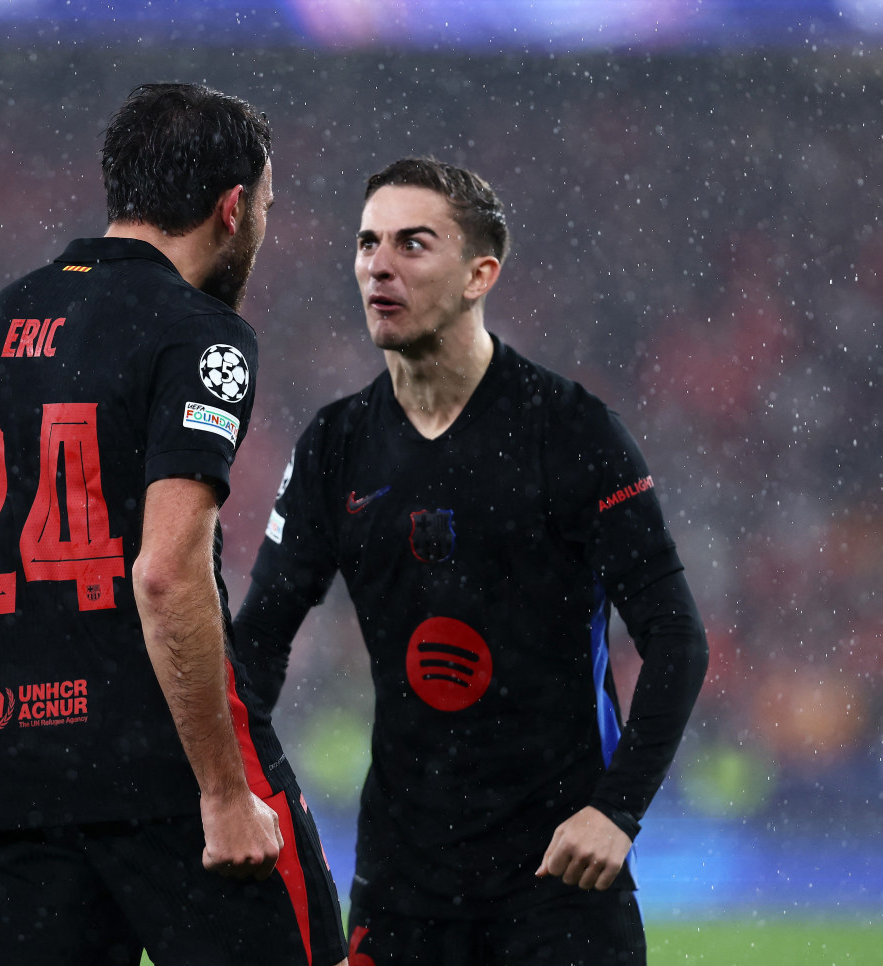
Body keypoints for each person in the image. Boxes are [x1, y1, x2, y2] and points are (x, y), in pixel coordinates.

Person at [0, 82, 348, 966]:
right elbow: (164, 573)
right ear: (231, 209)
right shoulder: (199, 335)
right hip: (168, 776)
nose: (261, 225)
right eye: (264, 206)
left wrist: (2, 770)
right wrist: (222, 790)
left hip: (18, 791)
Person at [233, 157, 710, 965]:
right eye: (367, 242)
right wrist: (235, 791)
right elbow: (257, 647)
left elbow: (675, 637)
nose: (378, 264)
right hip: (401, 887)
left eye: (412, 244)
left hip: (559, 888)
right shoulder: (335, 446)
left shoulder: (572, 431)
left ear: (479, 274)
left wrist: (616, 812)